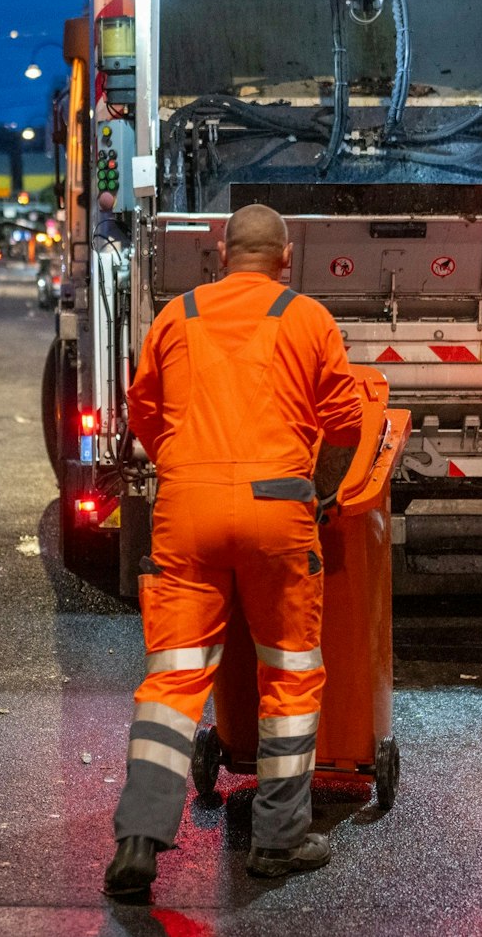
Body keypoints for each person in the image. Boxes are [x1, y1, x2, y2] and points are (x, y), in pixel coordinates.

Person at [105, 204, 366, 896]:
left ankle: (138, 840)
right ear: (286, 257)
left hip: (185, 512)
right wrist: (320, 491)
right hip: (278, 510)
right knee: (289, 672)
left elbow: (143, 411)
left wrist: (189, 468)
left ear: (221, 252)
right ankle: (278, 841)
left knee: (173, 681)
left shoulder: (176, 314)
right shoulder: (306, 316)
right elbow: (345, 421)